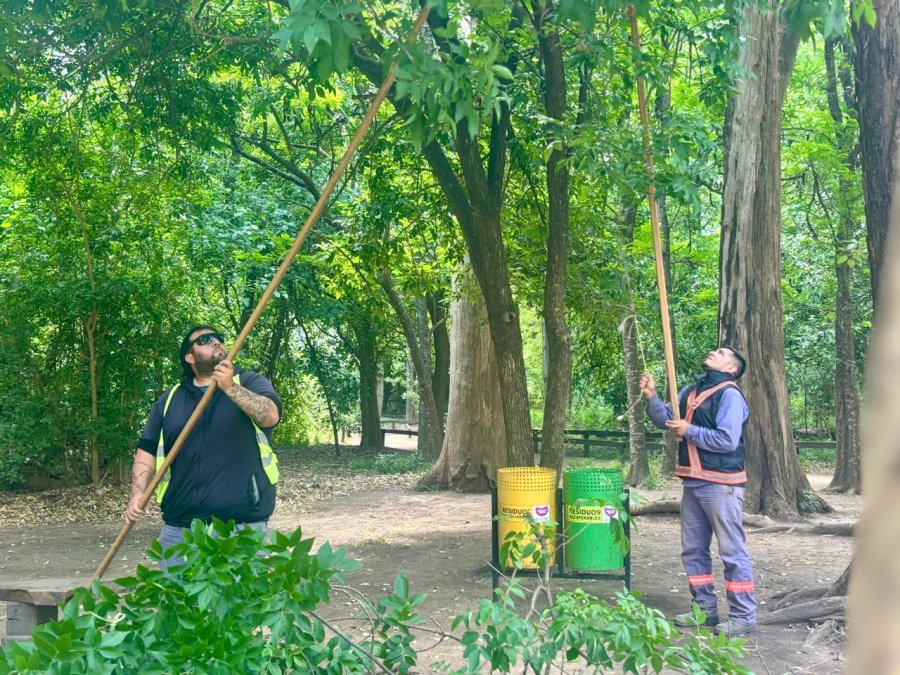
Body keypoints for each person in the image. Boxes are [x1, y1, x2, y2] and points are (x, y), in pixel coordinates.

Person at [125, 325, 281, 569]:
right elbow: (146, 449)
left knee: (243, 606)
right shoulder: (170, 399)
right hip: (181, 527)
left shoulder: (248, 381)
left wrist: (229, 387)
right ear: (190, 357)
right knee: (176, 603)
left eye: (218, 338)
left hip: (242, 526)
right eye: (205, 340)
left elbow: (270, 416)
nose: (216, 342)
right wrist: (138, 493)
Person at [639, 346, 756, 638]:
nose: (713, 353)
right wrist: (652, 397)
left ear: (732, 368)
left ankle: (743, 616)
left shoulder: (730, 395)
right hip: (693, 483)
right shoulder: (692, 390)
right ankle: (703, 611)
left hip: (721, 485)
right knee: (693, 550)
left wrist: (688, 430)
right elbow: (666, 420)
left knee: (731, 551)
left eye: (720, 353)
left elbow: (727, 440)